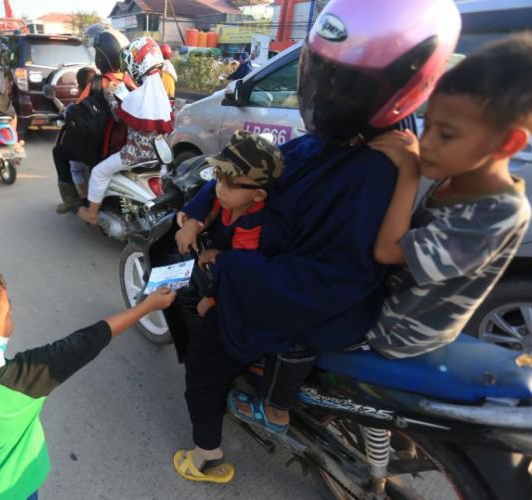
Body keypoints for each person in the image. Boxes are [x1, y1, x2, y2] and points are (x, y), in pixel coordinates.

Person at [169, 0, 461, 483]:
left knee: (205, 356)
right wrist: (200, 210)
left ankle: (206, 456)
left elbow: (330, 279)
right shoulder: (349, 138)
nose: (326, 93)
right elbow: (258, 167)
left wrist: (226, 271)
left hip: (319, 308)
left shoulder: (373, 166)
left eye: (345, 83)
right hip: (289, 278)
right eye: (322, 73)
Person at [0, 260, 177, 500]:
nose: (11, 314)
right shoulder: (28, 377)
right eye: (7, 313)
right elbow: (90, 339)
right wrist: (146, 307)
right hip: (16, 490)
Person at [365, 33, 532, 359]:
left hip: (397, 333)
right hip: (381, 303)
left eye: (446, 134)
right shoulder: (458, 174)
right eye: (428, 126)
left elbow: (388, 252)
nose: (426, 143)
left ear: (507, 143)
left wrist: (409, 173)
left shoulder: (497, 214)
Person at [175, 130, 285, 317]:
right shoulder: (228, 200)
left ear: (258, 195)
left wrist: (216, 260)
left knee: (203, 310)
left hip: (232, 282)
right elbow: (210, 209)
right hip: (210, 265)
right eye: (218, 176)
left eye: (232, 183)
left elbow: (241, 264)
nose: (220, 189)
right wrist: (192, 223)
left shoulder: (253, 228)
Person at [78, 36, 173, 224]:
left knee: (98, 172)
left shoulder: (137, 96)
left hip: (133, 156)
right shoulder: (162, 95)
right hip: (159, 156)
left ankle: (92, 214)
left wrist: (111, 94)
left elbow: (118, 116)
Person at [52, 24, 134, 214]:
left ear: (102, 56)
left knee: (59, 152)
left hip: (101, 146)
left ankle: (72, 200)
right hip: (125, 143)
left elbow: (77, 112)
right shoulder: (129, 80)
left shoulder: (98, 82)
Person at [52, 66, 97, 213]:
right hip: (105, 146)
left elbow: (69, 114)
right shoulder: (106, 95)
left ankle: (74, 200)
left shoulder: (77, 106)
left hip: (89, 151)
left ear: (79, 86)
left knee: (61, 155)